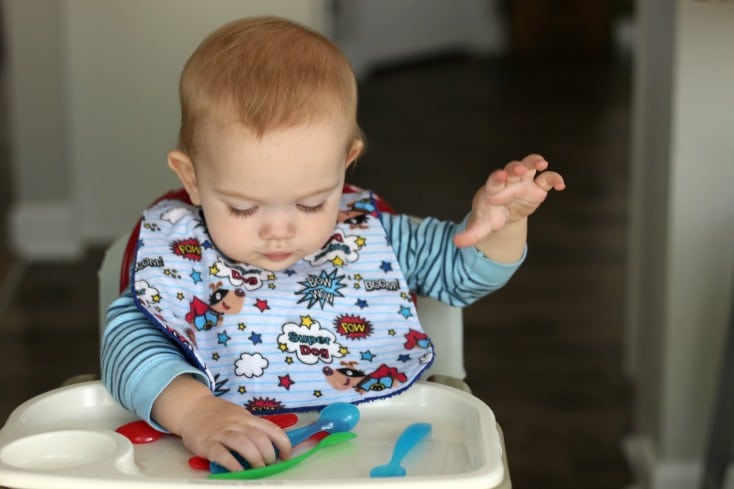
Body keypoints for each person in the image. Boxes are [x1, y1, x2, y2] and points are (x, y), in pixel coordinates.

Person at [101, 16, 565, 473]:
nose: (279, 230)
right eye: (244, 208)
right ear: (192, 178)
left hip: (369, 460)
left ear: (345, 165)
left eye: (310, 203)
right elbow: (126, 347)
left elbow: (460, 275)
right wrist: (196, 412)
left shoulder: (370, 235)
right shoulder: (180, 255)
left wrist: (502, 225)